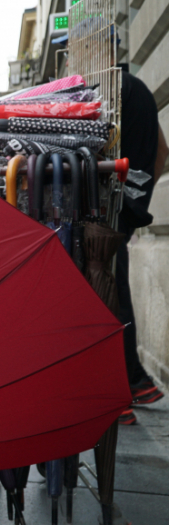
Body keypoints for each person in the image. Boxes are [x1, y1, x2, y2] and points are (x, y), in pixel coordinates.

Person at [116, 63, 169, 425]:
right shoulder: (141, 92)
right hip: (125, 208)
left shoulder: (104, 95)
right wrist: (139, 204)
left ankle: (124, 386)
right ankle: (133, 381)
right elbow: (162, 152)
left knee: (107, 292)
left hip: (104, 208)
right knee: (115, 287)